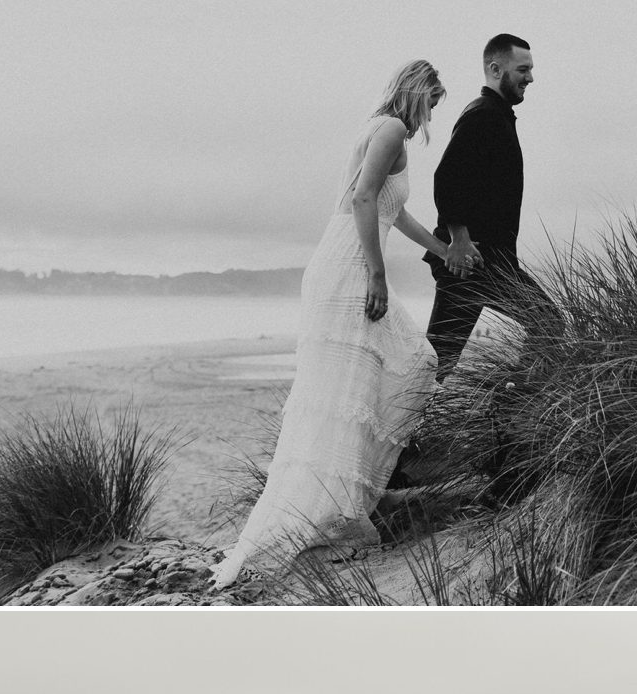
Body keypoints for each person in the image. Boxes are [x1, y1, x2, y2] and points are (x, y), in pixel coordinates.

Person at [211, 62, 458, 594]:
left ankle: (352, 498)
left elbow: (391, 210)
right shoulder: (391, 129)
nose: (433, 113)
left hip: (342, 260)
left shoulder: (380, 130)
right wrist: (377, 272)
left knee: (382, 378)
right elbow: (364, 200)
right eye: (434, 101)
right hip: (348, 266)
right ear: (418, 94)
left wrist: (439, 248)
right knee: (408, 367)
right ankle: (339, 505)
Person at [423, 33, 538, 380]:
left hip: (494, 263)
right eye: (523, 69)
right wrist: (459, 240)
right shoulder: (483, 115)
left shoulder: (497, 115)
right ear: (495, 68)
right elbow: (446, 179)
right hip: (469, 265)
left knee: (546, 323)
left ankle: (511, 412)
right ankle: (511, 412)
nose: (530, 78)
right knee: (436, 364)